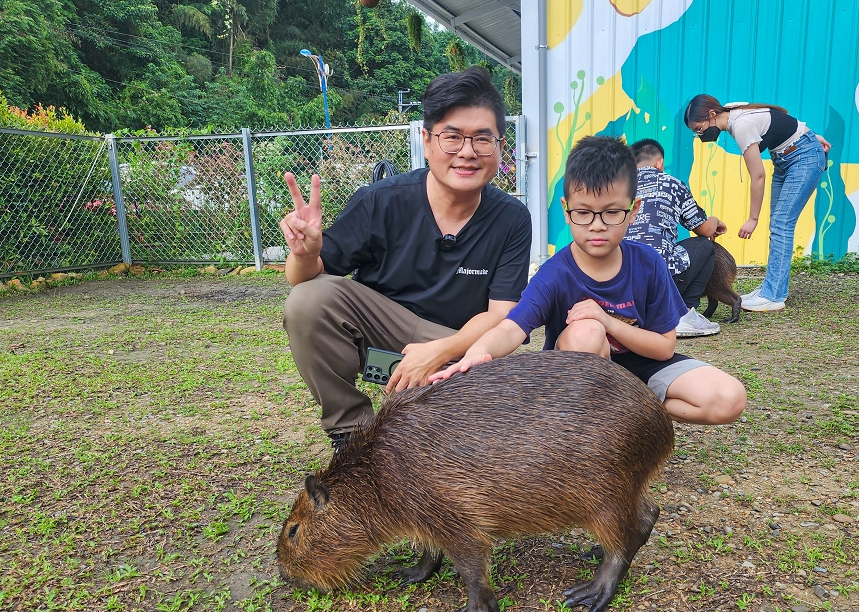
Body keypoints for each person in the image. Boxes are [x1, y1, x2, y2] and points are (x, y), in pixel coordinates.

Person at [278, 66, 532, 449]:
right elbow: (304, 279)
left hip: (453, 345)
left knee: (491, 432)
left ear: (499, 146)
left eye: (483, 139)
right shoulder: (380, 200)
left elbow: (502, 314)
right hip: (381, 335)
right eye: (452, 137)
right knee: (308, 300)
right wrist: (305, 253)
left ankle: (418, 403)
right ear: (427, 141)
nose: (467, 152)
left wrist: (437, 353)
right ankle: (351, 435)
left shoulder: (511, 218)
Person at [431, 136, 747, 426]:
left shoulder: (648, 263)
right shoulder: (556, 272)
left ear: (633, 210)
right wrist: (477, 353)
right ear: (566, 211)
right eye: (584, 213)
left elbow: (664, 348)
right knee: (586, 332)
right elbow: (511, 327)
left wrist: (607, 321)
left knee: (728, 398)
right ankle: (584, 428)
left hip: (640, 370)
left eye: (611, 213)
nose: (597, 226)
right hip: (576, 374)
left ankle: (626, 409)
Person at [684, 95, 832, 312]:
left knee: (782, 224)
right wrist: (805, 136)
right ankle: (770, 287)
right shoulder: (735, 112)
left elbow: (758, 176)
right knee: (779, 225)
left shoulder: (741, 125)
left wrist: (753, 219)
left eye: (699, 128)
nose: (700, 134)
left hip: (802, 159)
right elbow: (776, 120)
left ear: (712, 115)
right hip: (787, 157)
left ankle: (774, 295)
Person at [626, 138, 726, 337]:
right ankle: (683, 314)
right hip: (659, 276)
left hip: (622, 279)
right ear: (660, 162)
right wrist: (715, 221)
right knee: (704, 246)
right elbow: (705, 230)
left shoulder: (619, 186)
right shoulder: (672, 184)